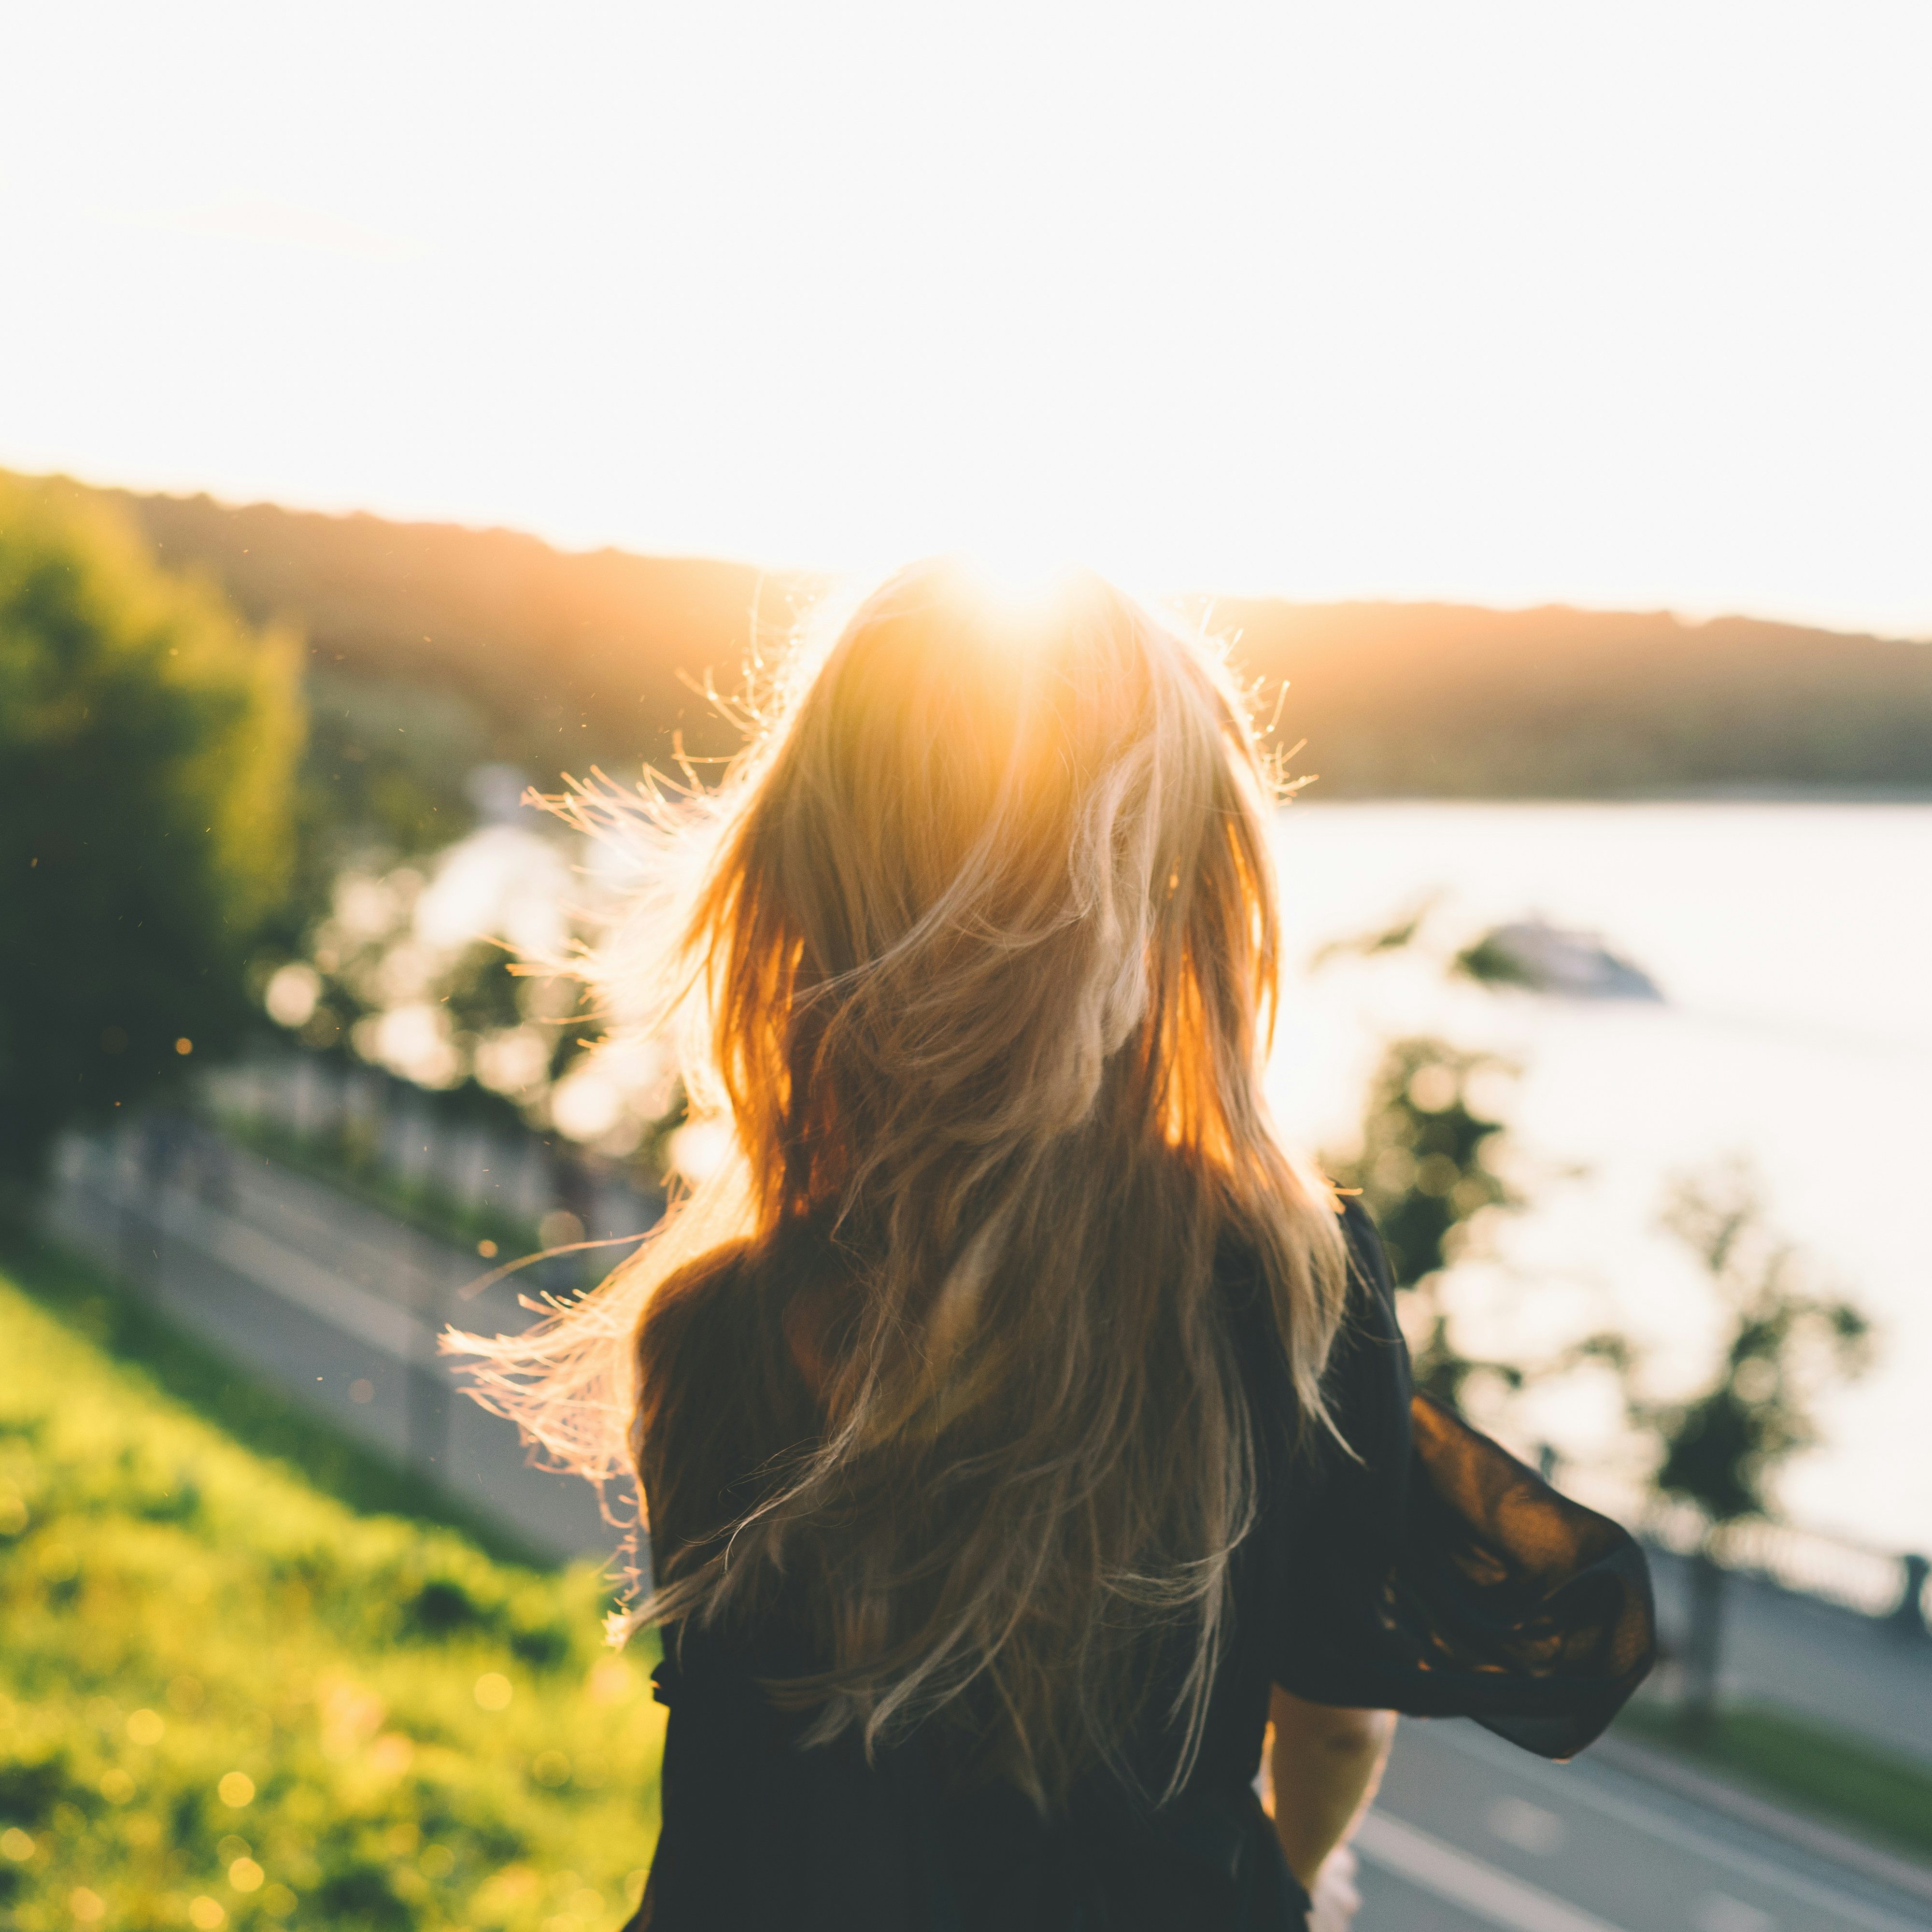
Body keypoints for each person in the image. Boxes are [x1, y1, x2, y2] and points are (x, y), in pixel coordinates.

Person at [452, 559, 1655, 1930]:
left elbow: (773, 1789)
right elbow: (1333, 1725)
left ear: (802, 884)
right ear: (1179, 915)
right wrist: (1299, 1883)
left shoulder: (705, 1326)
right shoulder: (1288, 1291)